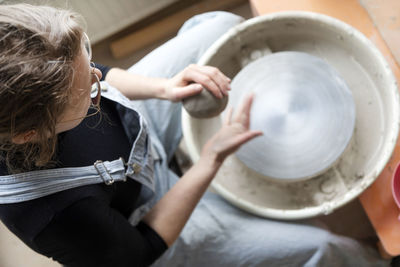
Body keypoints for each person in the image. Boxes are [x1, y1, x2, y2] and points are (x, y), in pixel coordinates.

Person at [0, 3, 390, 267]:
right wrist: (210, 160)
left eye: (87, 64)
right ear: (31, 133)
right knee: (322, 247)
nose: (99, 76)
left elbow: (91, 71)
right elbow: (142, 252)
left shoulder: (32, 67)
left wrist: (165, 88)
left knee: (218, 27)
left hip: (131, 141)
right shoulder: (55, 216)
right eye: (88, 90)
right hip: (144, 217)